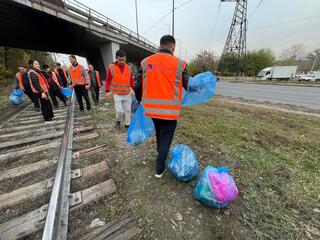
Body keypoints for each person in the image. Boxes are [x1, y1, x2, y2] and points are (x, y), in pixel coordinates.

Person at [135, 35, 189, 178]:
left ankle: (160, 153)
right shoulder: (180, 64)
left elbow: (138, 85)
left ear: (160, 46)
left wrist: (138, 99)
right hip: (170, 112)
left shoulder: (146, 62)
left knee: (160, 134)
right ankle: (159, 169)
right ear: (173, 48)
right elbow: (188, 85)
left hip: (152, 110)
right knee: (166, 139)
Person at [105, 50, 135, 129]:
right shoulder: (112, 67)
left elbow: (131, 81)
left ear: (125, 58)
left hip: (126, 93)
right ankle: (118, 121)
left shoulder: (128, 68)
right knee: (119, 111)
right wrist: (107, 90)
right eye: (119, 60)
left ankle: (127, 124)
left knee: (128, 111)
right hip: (117, 93)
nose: (122, 61)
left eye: (123, 60)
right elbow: (108, 79)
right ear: (116, 58)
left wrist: (136, 91)